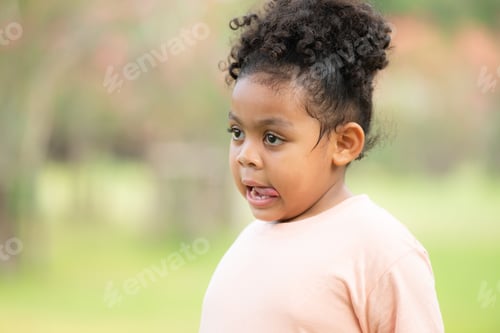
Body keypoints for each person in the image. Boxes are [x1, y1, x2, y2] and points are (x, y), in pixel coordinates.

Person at [199, 0, 444, 331]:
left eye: (272, 138)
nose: (246, 155)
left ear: (343, 144)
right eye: (238, 133)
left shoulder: (382, 253)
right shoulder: (247, 244)